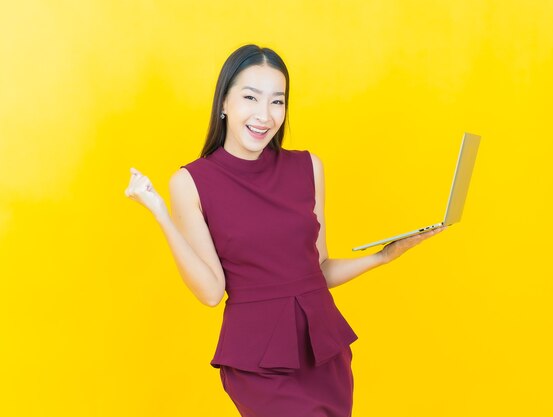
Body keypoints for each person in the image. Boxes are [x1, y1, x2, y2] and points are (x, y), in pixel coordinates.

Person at [124, 44, 446, 417]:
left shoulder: (309, 167)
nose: (264, 115)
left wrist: (384, 256)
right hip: (258, 361)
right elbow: (212, 293)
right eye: (250, 97)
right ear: (223, 103)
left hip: (324, 352)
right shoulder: (191, 182)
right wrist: (161, 214)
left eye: (277, 102)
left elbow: (318, 270)